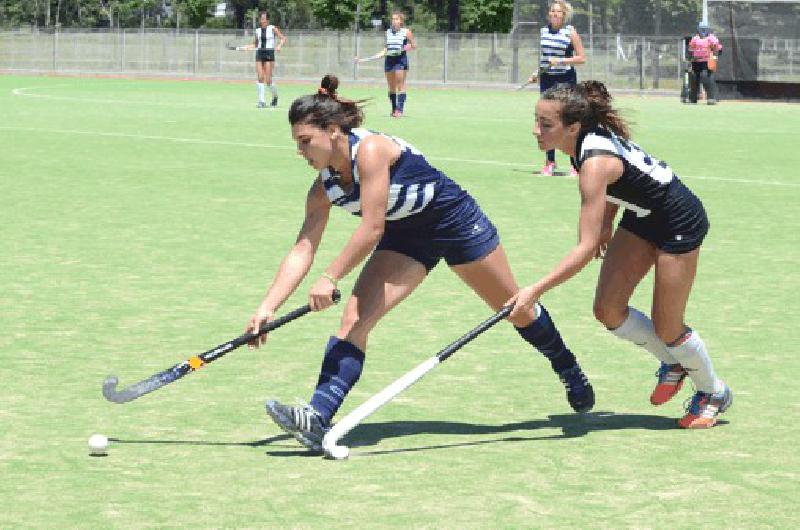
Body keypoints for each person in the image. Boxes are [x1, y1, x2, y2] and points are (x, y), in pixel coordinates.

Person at [246, 75, 594, 452]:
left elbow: (372, 225)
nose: (300, 152)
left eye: (304, 141)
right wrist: (267, 307)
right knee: (354, 320)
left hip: (453, 221)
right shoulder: (322, 187)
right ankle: (318, 415)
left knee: (514, 307)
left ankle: (567, 367)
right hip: (406, 235)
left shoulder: (372, 150)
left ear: (332, 131)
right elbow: (303, 248)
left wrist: (331, 276)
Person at [509, 80, 732, 429]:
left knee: (668, 325)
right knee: (608, 309)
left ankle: (713, 392)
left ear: (573, 127)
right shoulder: (583, 144)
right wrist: (608, 221)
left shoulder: (592, 164)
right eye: (536, 121)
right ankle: (673, 363)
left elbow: (584, 249)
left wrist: (533, 292)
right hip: (643, 216)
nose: (536, 131)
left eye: (546, 125)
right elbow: (623, 179)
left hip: (679, 220)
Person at [527, 0, 585, 177]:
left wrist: (561, 61)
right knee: (546, 119)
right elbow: (545, 58)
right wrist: (537, 73)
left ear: (564, 15)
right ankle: (550, 162)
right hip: (547, 80)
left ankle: (575, 164)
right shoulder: (543, 32)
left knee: (568, 119)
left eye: (558, 12)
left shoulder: (570, 32)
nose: (554, 14)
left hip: (566, 79)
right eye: (552, 11)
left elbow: (582, 58)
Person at [355, 11, 416, 117]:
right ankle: (393, 109)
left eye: (396, 19)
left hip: (400, 61)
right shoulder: (388, 32)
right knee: (391, 86)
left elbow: (413, 45)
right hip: (389, 61)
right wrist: (364, 60)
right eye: (393, 19)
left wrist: (402, 49)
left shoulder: (406, 32)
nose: (394, 21)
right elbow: (385, 50)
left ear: (401, 21)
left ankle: (399, 110)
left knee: (400, 86)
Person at [240, 11, 286, 108]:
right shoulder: (257, 31)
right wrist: (247, 47)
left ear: (268, 20)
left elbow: (283, 38)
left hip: (269, 54)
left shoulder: (272, 28)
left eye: (264, 19)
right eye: (261, 19)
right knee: (260, 77)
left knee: (268, 80)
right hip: (259, 54)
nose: (262, 21)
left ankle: (275, 96)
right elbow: (255, 44)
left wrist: (279, 46)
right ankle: (261, 101)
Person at [688, 22, 722, 105]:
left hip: (707, 61)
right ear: (698, 29)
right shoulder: (695, 38)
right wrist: (690, 58)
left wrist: (715, 55)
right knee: (694, 78)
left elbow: (718, 48)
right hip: (696, 61)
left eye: (705, 28)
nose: (703, 30)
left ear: (708, 29)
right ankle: (693, 98)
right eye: (701, 28)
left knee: (706, 77)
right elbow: (691, 49)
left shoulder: (712, 38)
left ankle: (711, 98)